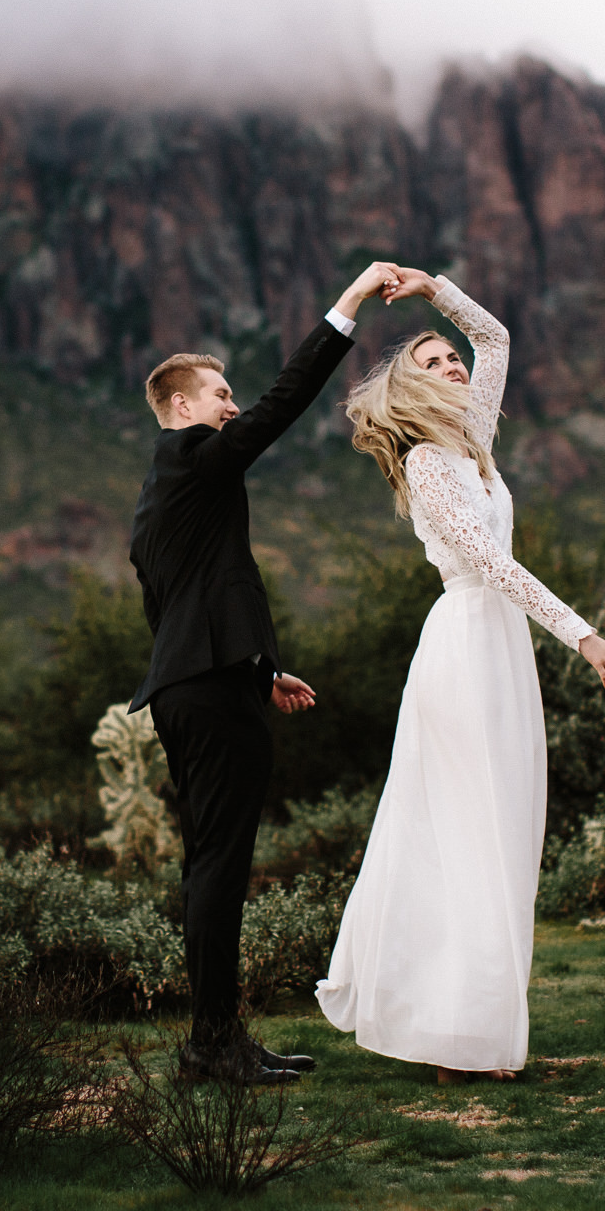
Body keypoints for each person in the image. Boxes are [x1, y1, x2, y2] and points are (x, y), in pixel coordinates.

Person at [316, 266, 605, 1083]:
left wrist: (432, 290)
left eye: (452, 362)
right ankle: (456, 1032)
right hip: (463, 642)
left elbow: (495, 336)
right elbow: (488, 563)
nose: (455, 367)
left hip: (503, 650)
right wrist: (583, 633)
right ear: (407, 391)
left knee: (508, 831)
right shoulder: (427, 462)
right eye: (433, 363)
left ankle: (477, 1024)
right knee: (466, 829)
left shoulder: (476, 444)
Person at [130, 258, 401, 1087]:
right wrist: (349, 303)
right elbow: (287, 401)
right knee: (218, 866)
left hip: (201, 685)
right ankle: (213, 1047)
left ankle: (217, 1040)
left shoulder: (165, 495)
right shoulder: (193, 457)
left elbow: (181, 600)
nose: (233, 405)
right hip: (208, 693)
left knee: (213, 862)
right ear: (183, 406)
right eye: (219, 394)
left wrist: (260, 669)